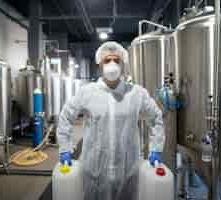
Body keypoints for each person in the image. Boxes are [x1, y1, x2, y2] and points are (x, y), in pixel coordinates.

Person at [57, 41, 165, 200]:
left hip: (128, 169)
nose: (112, 64)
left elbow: (156, 118)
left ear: (122, 64)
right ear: (100, 64)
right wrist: (65, 148)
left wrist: (156, 148)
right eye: (107, 60)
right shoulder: (87, 92)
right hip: (94, 169)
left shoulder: (136, 93)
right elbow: (66, 116)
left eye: (116, 60)